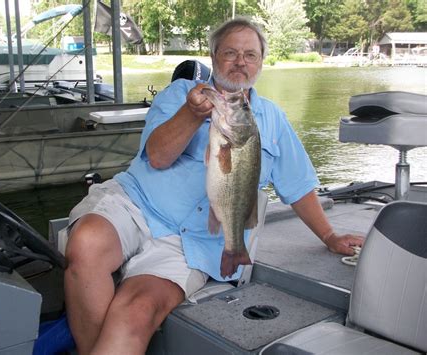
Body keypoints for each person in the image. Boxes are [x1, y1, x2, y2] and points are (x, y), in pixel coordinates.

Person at [63, 17, 364, 355]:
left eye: (250, 55)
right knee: (85, 244)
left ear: (261, 62)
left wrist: (329, 236)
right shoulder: (180, 94)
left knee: (136, 311)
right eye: (230, 53)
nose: (240, 62)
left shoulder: (273, 119)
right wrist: (192, 115)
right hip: (135, 205)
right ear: (213, 57)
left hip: (195, 241)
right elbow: (158, 156)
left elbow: (298, 186)